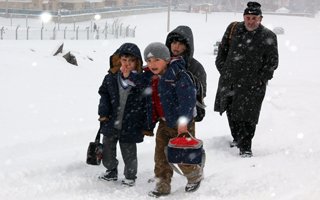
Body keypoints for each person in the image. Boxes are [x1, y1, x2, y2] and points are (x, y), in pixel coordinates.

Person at [122, 42, 203, 197]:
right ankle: (162, 184)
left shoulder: (178, 75)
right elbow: (140, 80)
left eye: (157, 60)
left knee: (182, 155)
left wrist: (183, 123)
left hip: (182, 124)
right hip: (164, 122)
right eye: (149, 61)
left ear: (166, 59)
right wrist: (128, 75)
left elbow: (188, 100)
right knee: (161, 156)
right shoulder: (151, 75)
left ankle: (194, 176)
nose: (152, 64)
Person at [214, 2, 279, 157]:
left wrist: (261, 79)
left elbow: (272, 62)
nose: (251, 21)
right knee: (230, 110)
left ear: (260, 19)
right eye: (248, 17)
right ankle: (237, 138)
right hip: (230, 81)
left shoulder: (269, 36)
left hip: (253, 85)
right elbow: (222, 53)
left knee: (249, 116)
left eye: (254, 18)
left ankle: (246, 146)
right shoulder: (233, 29)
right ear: (243, 17)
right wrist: (224, 71)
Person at [97, 43, 146, 187]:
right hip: (111, 121)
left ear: (137, 63)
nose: (127, 64)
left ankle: (130, 176)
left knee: (129, 151)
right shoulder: (111, 77)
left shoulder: (140, 80)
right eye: (124, 60)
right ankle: (111, 170)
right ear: (118, 60)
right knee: (107, 148)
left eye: (131, 61)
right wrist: (103, 112)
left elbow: (146, 98)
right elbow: (104, 94)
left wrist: (144, 123)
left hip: (131, 123)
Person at [165, 25, 207, 122]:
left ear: (187, 46)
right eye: (174, 42)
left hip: (187, 118)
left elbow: (201, 92)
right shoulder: (163, 63)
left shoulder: (196, 67)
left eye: (181, 44)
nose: (176, 46)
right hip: (166, 118)